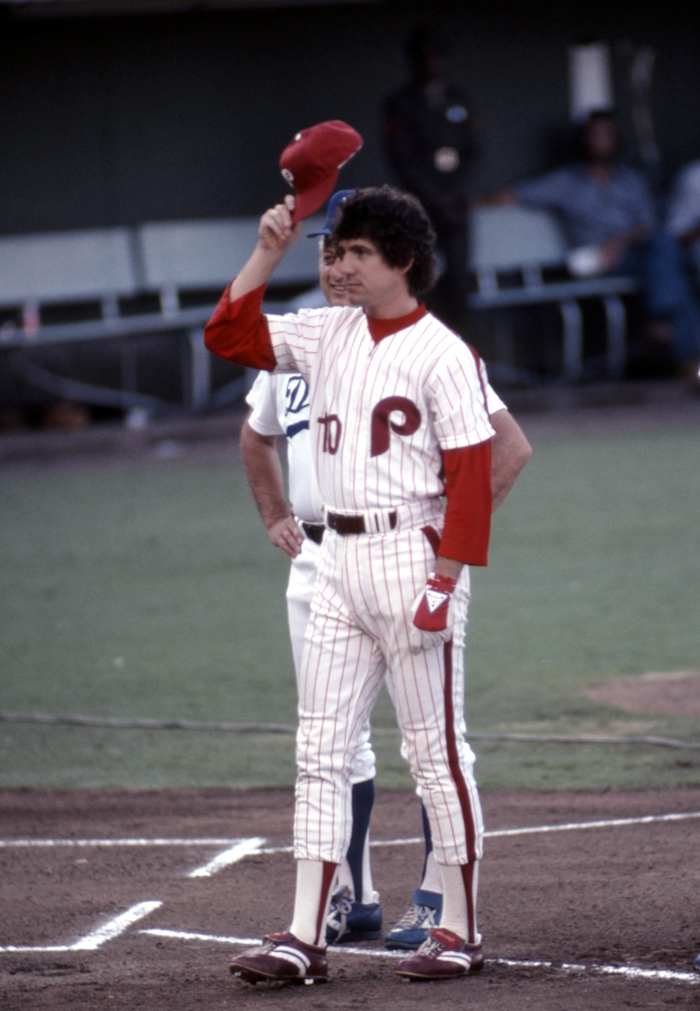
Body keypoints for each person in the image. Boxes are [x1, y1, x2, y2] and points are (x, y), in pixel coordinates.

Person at [205, 185, 503, 985]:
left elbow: (473, 476)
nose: (338, 266)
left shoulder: (444, 352)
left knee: (434, 752)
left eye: (358, 253)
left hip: (411, 554)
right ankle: (305, 933)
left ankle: (460, 928)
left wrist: (446, 578)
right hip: (334, 558)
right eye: (333, 251)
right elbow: (227, 333)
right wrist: (268, 249)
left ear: (401, 260)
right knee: (320, 749)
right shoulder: (324, 331)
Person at [488, 108, 700, 381]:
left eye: (608, 134)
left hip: (635, 255)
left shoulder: (631, 181)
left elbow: (649, 226)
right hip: (595, 260)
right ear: (583, 139)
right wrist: (469, 206)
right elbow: (511, 196)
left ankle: (668, 329)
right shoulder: (566, 181)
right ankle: (673, 336)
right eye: (595, 135)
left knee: (670, 257)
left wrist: (619, 243)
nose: (602, 141)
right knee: (672, 266)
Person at [384, 24, 476, 332]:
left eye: (437, 56)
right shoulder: (400, 103)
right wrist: (435, 198)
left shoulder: (457, 98)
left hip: (455, 205)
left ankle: (458, 346)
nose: (432, 63)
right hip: (420, 206)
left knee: (459, 279)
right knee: (419, 278)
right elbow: (402, 158)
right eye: (424, 56)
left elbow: (473, 150)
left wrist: (455, 192)